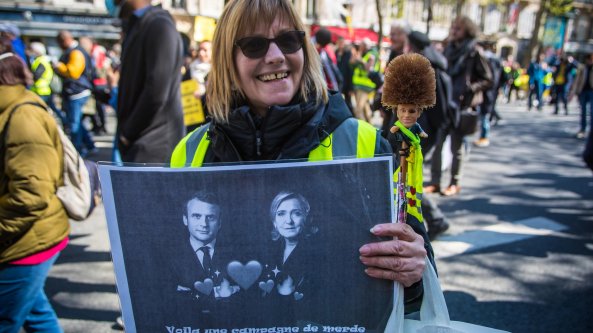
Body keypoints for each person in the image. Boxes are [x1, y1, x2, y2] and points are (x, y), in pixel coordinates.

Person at [170, 0, 431, 320]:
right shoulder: (189, 151)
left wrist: (413, 271)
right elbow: (173, 269)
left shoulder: (363, 143)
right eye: (254, 45)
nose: (276, 55)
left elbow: (412, 267)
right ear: (227, 60)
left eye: (288, 40)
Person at [0, 44, 69, 333]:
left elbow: (32, 193)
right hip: (24, 240)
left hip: (28, 242)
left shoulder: (22, 118)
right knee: (36, 315)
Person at [105, 0, 185, 163]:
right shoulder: (142, 25)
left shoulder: (158, 25)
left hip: (153, 146)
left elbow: (156, 91)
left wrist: (128, 133)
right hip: (143, 142)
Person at [442, 15, 492, 196]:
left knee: (457, 146)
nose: (454, 31)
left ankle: (454, 182)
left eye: (458, 28)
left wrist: (471, 88)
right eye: (453, 27)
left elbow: (488, 78)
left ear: (467, 31)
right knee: (439, 142)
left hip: (462, 105)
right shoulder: (448, 49)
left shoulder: (474, 51)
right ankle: (434, 181)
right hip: (446, 102)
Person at [54, 30, 97, 156]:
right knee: (76, 121)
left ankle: (77, 150)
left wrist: (59, 66)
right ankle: (89, 145)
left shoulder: (75, 52)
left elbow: (73, 72)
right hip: (76, 91)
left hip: (76, 91)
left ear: (65, 40)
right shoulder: (75, 51)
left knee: (74, 123)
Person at [27, 42, 62, 121]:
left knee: (42, 109)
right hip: (42, 90)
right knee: (52, 108)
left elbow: (36, 75)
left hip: (41, 91)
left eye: (32, 50)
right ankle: (64, 121)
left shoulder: (41, 61)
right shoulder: (41, 60)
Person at [352, 38, 381, 122]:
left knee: (358, 110)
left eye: (361, 45)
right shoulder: (364, 54)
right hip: (361, 85)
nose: (359, 47)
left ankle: (363, 129)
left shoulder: (372, 54)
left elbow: (368, 68)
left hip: (365, 85)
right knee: (365, 109)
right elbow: (351, 63)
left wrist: (360, 60)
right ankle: (371, 128)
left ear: (365, 46)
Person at [569, 53, 593, 139]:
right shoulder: (582, 68)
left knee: (591, 112)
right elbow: (576, 81)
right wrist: (572, 92)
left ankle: (591, 131)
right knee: (583, 112)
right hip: (582, 91)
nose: (590, 61)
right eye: (590, 59)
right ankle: (582, 129)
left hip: (591, 92)